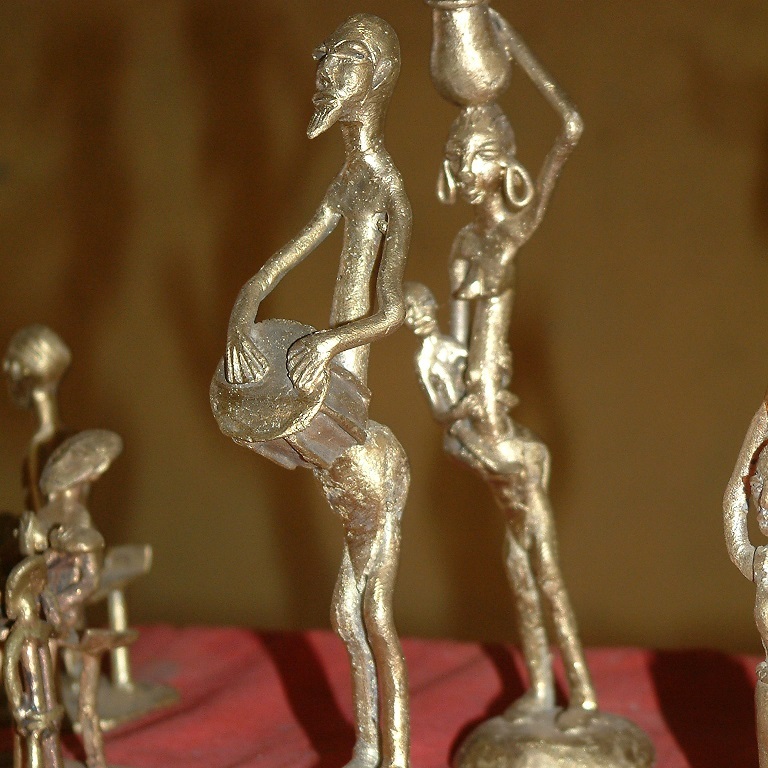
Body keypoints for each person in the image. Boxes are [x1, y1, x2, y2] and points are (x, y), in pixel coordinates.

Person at [222, 15, 411, 768]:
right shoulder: (347, 180)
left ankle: (393, 755)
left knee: (375, 617)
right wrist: (243, 309)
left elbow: (389, 309)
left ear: (375, 78)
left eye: (344, 63)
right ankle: (366, 747)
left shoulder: (387, 184)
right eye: (327, 61)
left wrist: (329, 342)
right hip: (339, 458)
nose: (327, 75)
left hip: (366, 449)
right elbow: (286, 255)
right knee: (346, 617)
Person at [3, 555, 65, 768]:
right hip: (34, 706)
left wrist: (49, 598)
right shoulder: (20, 633)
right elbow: (9, 668)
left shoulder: (41, 629)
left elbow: (58, 627)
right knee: (35, 741)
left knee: (50, 736)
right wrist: (19, 706)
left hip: (48, 702)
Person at [3, 326, 72, 512]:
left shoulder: (40, 447)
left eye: (13, 365)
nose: (6, 369)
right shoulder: (66, 440)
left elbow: (42, 517)